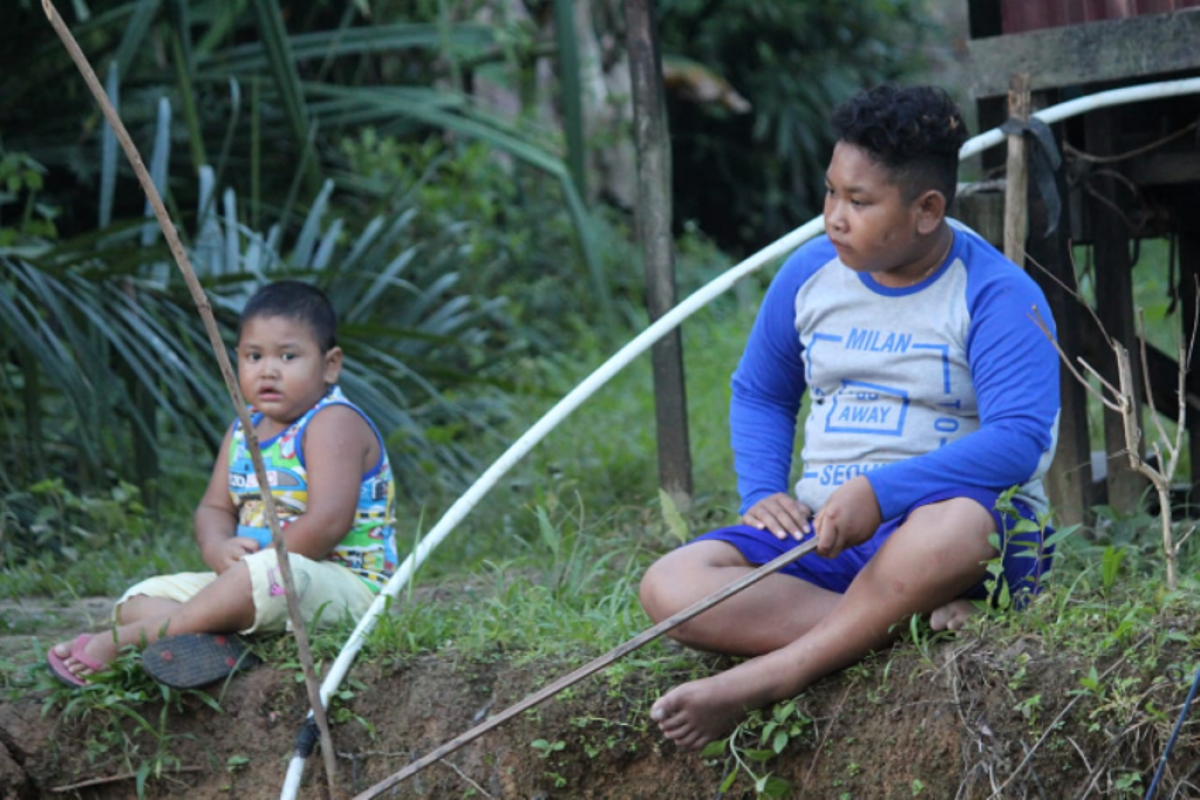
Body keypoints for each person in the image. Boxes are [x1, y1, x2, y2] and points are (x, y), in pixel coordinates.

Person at [638, 84, 1061, 749]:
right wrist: (763, 492)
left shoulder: (995, 293)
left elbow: (1017, 443)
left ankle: (771, 677)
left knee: (956, 525)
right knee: (671, 585)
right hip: (827, 534)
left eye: (859, 202)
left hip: (951, 543)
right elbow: (760, 391)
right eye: (832, 192)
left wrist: (881, 492)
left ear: (927, 210)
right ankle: (892, 626)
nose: (834, 216)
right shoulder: (810, 276)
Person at [48, 280, 398, 688]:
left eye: (288, 355)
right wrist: (218, 549)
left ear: (330, 364)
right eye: (254, 356)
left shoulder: (333, 422)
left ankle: (130, 640)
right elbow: (214, 508)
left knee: (255, 580)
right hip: (257, 581)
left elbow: (327, 523)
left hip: (343, 586)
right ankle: (220, 635)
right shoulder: (243, 431)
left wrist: (251, 570)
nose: (268, 369)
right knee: (136, 599)